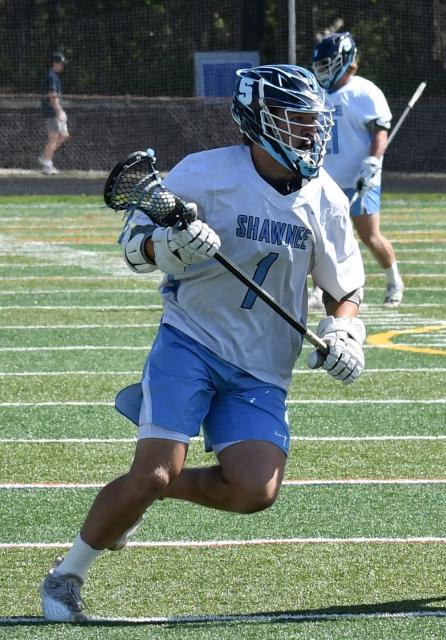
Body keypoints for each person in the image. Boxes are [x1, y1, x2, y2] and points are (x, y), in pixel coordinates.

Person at [39, 65, 367, 622]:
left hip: (264, 366)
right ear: (258, 120)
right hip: (190, 341)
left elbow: (345, 287)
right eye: (297, 120)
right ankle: (67, 574)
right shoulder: (206, 173)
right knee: (153, 470)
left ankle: (144, 498)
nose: (311, 133)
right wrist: (171, 246)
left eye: (316, 122)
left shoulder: (327, 199)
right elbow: (133, 244)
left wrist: (345, 331)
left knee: (254, 490)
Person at [309, 31, 404, 308]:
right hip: (326, 178)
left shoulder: (364, 91)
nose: (323, 70)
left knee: (368, 235)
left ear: (346, 61)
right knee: (322, 237)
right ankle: (320, 290)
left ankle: (394, 281)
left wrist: (373, 162)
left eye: (328, 64)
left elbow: (379, 131)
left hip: (361, 177)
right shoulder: (316, 93)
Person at [38, 52, 69, 175]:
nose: (62, 66)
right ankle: (47, 165)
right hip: (51, 112)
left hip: (55, 111)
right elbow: (52, 95)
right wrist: (59, 111)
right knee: (53, 138)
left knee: (65, 135)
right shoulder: (51, 76)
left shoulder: (55, 76)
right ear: (55, 63)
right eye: (61, 63)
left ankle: (45, 157)